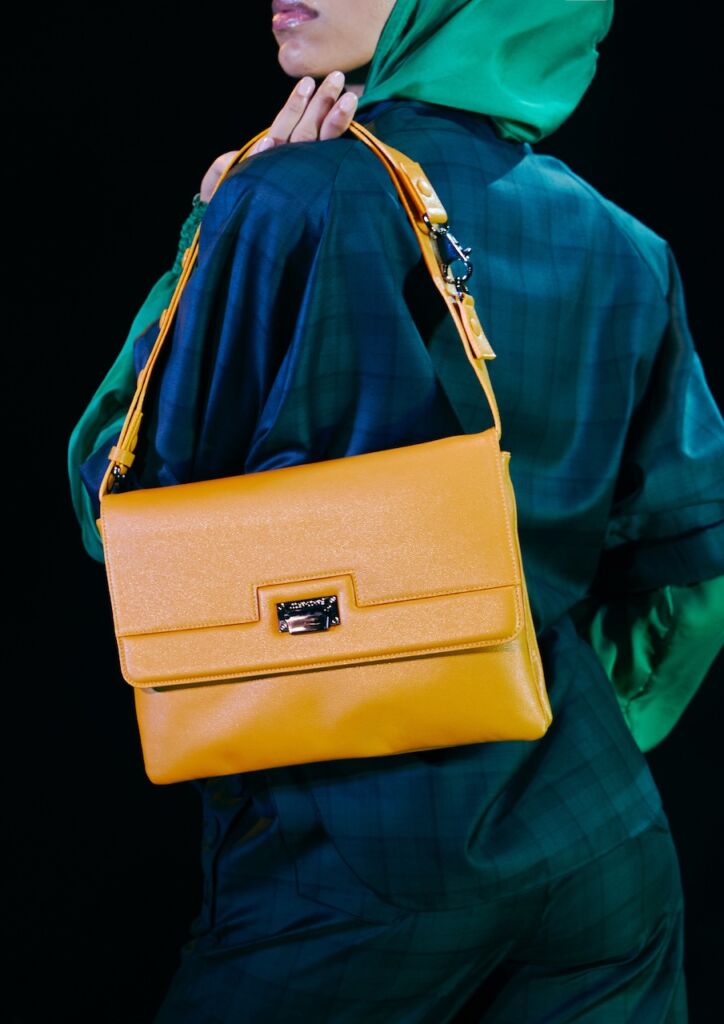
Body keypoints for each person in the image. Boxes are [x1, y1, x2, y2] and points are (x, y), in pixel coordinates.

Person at [67, 2, 724, 1021]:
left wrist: (206, 234)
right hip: (602, 843)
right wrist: (536, 723)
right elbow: (690, 588)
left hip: (345, 852)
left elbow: (118, 504)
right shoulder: (628, 247)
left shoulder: (285, 197)